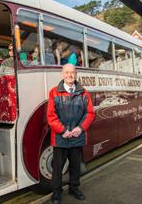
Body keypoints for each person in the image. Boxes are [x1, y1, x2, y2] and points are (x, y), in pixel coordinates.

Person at [47, 64, 95, 204]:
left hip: (77, 136)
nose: (69, 75)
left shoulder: (84, 93)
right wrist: (63, 130)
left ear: (76, 74)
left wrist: (80, 128)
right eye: (67, 72)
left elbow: (90, 113)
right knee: (58, 167)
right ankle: (56, 193)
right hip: (60, 137)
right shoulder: (54, 92)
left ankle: (74, 188)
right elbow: (51, 116)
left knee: (75, 165)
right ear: (62, 74)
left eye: (72, 72)